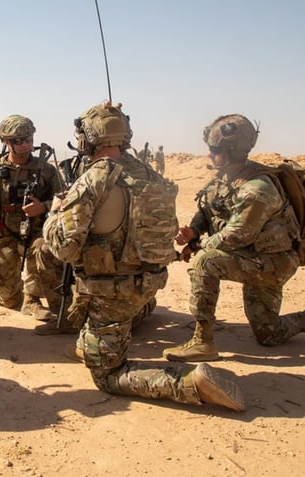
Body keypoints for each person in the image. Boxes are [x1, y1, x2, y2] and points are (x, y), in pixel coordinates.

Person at [42, 101, 244, 411]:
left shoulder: (94, 179)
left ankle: (190, 382)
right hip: (147, 282)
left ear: (88, 138)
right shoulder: (146, 172)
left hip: (110, 292)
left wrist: (54, 215)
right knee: (95, 335)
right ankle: (94, 342)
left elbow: (64, 247)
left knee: (108, 375)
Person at [163, 114, 305, 363]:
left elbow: (234, 237)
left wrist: (197, 246)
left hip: (273, 263)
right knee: (269, 334)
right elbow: (207, 208)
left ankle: (203, 342)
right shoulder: (226, 177)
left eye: (215, 150)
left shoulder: (257, 189)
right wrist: (194, 229)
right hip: (253, 257)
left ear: (232, 151)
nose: (209, 155)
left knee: (205, 261)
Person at [0, 115, 65, 321]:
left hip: (36, 232)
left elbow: (64, 200)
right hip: (3, 234)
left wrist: (43, 207)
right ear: (6, 142)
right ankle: (7, 293)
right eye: (18, 141)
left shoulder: (46, 170)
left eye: (28, 139)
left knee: (43, 248)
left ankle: (32, 300)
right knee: (10, 299)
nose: (25, 145)